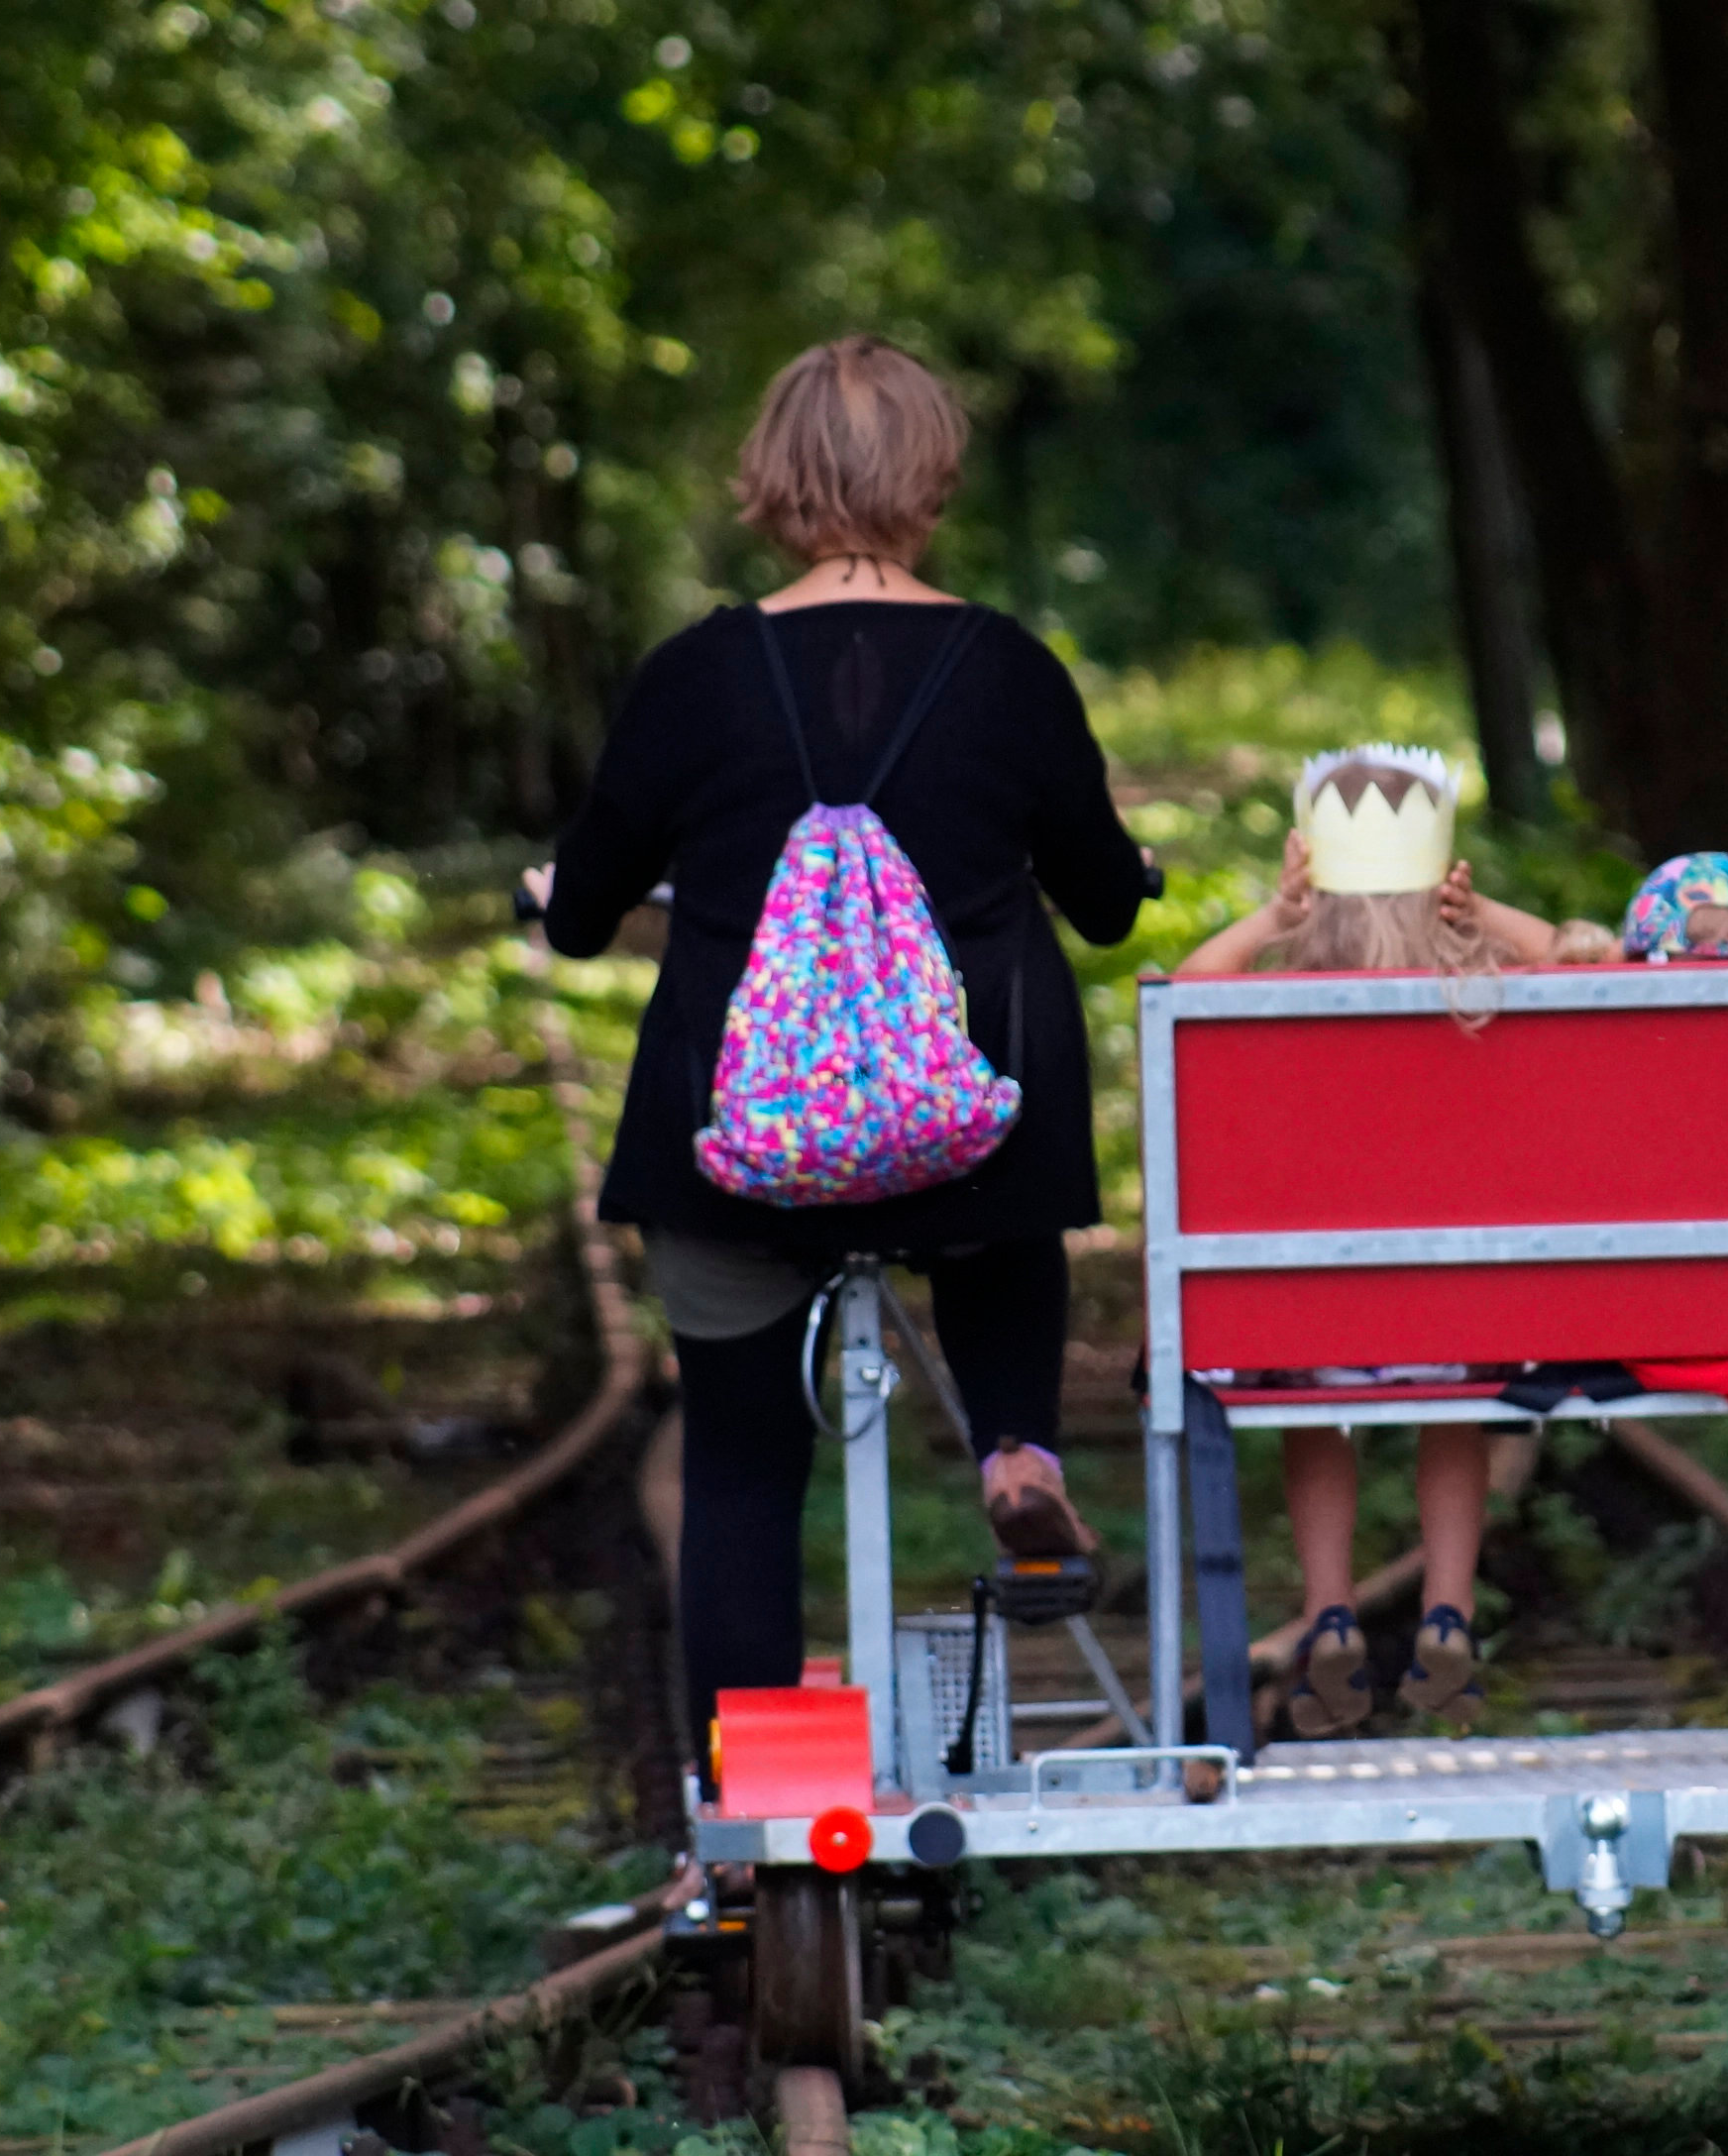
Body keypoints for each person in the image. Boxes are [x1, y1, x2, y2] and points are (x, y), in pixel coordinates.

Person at [536, 335, 1152, 1748]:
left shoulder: (694, 677)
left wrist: (557, 891)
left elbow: (580, 916)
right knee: (1005, 1236)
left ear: (771, 485)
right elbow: (1109, 908)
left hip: (741, 1143)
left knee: (742, 1469)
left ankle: (747, 1830)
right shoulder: (1010, 671)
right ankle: (1013, 1448)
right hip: (968, 1146)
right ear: (932, 482)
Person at [1175, 745, 1554, 1730]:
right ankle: (1448, 1610)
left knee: (1311, 1410)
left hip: (1318, 1319)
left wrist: (1268, 919)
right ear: (1440, 891)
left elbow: (1182, 985)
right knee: (1454, 1411)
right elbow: (1583, 959)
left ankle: (1330, 1612)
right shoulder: (1478, 1001)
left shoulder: (1275, 1007)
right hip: (1450, 1311)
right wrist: (1488, 921)